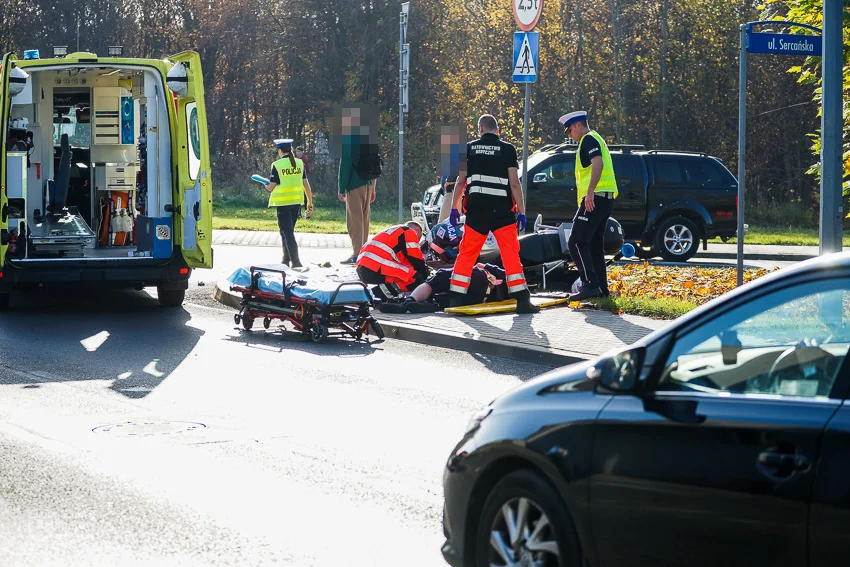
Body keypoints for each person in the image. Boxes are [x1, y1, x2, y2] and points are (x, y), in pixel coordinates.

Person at [447, 114, 539, 314]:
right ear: (497, 131)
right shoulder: (507, 149)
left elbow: (460, 182)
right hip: (502, 212)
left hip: (477, 211)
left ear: (480, 129)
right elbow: (514, 183)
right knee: (510, 254)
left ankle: (456, 298)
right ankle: (522, 300)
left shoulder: (468, 149)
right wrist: (522, 212)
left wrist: (453, 208)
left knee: (467, 253)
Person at [559, 110, 618, 300]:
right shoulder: (596, 138)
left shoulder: (588, 140)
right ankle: (601, 290)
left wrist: (590, 192)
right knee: (593, 245)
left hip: (596, 198)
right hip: (605, 198)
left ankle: (590, 285)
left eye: (569, 130)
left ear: (577, 125)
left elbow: (597, 163)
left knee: (575, 242)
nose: (569, 135)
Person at [262, 138, 314, 268]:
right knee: (286, 231)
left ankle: (296, 262)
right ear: (291, 149)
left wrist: (264, 183)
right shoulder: (299, 163)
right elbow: (306, 185)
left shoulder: (277, 165)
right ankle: (285, 260)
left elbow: (271, 187)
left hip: (283, 203)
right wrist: (310, 202)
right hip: (296, 202)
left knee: (288, 232)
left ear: (280, 150)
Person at [381, 263, 509, 314]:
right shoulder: (515, 288)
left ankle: (408, 302)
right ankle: (433, 305)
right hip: (483, 298)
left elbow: (480, 265)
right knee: (448, 300)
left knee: (434, 282)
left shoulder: (500, 271)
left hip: (479, 277)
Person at [338, 107, 377, 264]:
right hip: (368, 183)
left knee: (354, 221)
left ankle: (356, 254)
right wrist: (373, 187)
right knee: (365, 218)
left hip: (354, 184)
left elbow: (345, 166)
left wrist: (341, 188)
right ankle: (364, 252)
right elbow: (376, 166)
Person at [356, 221, 428, 299]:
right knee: (414, 278)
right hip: (375, 266)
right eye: (418, 239)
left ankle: (373, 295)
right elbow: (416, 259)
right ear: (417, 230)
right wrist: (425, 275)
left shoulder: (393, 232)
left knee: (406, 274)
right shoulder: (409, 231)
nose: (417, 243)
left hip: (363, 268)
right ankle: (375, 295)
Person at [295, 145, 312, 219]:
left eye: (299, 151)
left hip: (303, 179)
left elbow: (307, 170)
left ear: (302, 152)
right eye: (297, 151)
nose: (298, 153)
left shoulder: (303, 159)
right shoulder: (296, 159)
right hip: (298, 179)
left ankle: (306, 212)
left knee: (305, 197)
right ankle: (299, 213)